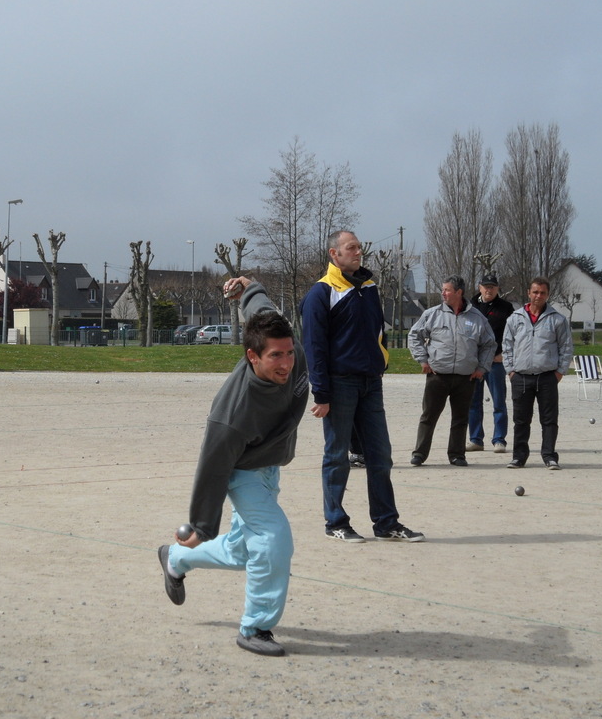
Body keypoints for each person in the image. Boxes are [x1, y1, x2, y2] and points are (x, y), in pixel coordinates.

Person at [157, 276, 309, 658]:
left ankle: (175, 560)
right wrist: (200, 527)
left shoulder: (289, 349)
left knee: (244, 551)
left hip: (270, 467)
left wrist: (250, 287)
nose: (286, 363)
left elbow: (262, 312)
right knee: (273, 541)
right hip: (243, 473)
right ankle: (255, 626)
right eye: (275, 356)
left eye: (288, 353)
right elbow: (212, 468)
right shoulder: (233, 412)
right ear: (251, 356)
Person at [300, 230, 424, 544]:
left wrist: (380, 364)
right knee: (337, 455)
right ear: (334, 253)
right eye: (351, 248)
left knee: (380, 455)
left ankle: (386, 522)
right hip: (340, 384)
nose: (358, 252)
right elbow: (314, 346)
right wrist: (322, 392)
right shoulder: (322, 293)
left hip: (371, 383)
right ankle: (336, 522)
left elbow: (376, 334)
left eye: (359, 247)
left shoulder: (369, 288)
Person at [407, 275, 496, 467]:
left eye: (447, 290)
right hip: (438, 376)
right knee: (428, 416)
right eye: (443, 289)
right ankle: (419, 454)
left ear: (459, 292)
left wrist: (482, 368)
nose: (443, 293)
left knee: (460, 418)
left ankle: (457, 455)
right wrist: (422, 360)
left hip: (465, 378)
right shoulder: (432, 314)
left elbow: (489, 344)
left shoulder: (477, 318)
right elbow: (415, 335)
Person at [501, 277, 574, 469]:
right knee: (521, 420)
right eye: (535, 292)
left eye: (542, 293)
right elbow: (506, 346)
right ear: (528, 293)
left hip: (548, 376)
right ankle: (519, 457)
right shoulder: (515, 318)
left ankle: (549, 456)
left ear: (548, 295)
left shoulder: (557, 319)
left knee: (549, 420)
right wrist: (510, 371)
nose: (538, 296)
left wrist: (559, 372)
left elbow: (566, 347)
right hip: (521, 377)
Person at [466, 274, 515, 453]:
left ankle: (499, 439)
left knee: (498, 402)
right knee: (473, 402)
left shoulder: (506, 308)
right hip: (474, 362)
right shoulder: (470, 306)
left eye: (492, 287)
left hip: (495, 362)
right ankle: (476, 439)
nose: (489, 290)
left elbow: (513, 333)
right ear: (480, 287)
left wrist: (504, 354)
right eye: (486, 286)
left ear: (497, 288)